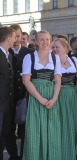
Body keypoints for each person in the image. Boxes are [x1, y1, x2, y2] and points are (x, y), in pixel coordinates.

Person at [21, 30, 62, 160]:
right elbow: (26, 80)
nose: (45, 42)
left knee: (51, 130)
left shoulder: (55, 58)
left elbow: (58, 80)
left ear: (50, 42)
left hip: (51, 98)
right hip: (35, 98)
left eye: (47, 40)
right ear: (36, 42)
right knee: (35, 131)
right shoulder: (29, 57)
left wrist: (54, 98)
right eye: (42, 39)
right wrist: (40, 99)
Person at [52, 38, 77, 160]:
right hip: (58, 95)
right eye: (53, 47)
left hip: (71, 95)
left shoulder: (74, 60)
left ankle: (72, 150)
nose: (54, 49)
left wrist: (76, 90)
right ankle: (60, 151)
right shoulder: (52, 60)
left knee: (72, 122)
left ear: (65, 48)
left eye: (57, 47)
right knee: (60, 122)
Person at [7, 24, 34, 160]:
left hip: (25, 95)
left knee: (24, 128)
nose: (17, 39)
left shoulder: (29, 53)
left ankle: (24, 153)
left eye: (18, 36)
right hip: (9, 97)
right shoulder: (7, 52)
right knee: (9, 127)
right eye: (14, 36)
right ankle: (13, 155)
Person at [0, 26, 15, 160]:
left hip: (7, 104)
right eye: (15, 37)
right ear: (8, 38)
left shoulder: (9, 55)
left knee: (3, 135)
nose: (16, 40)